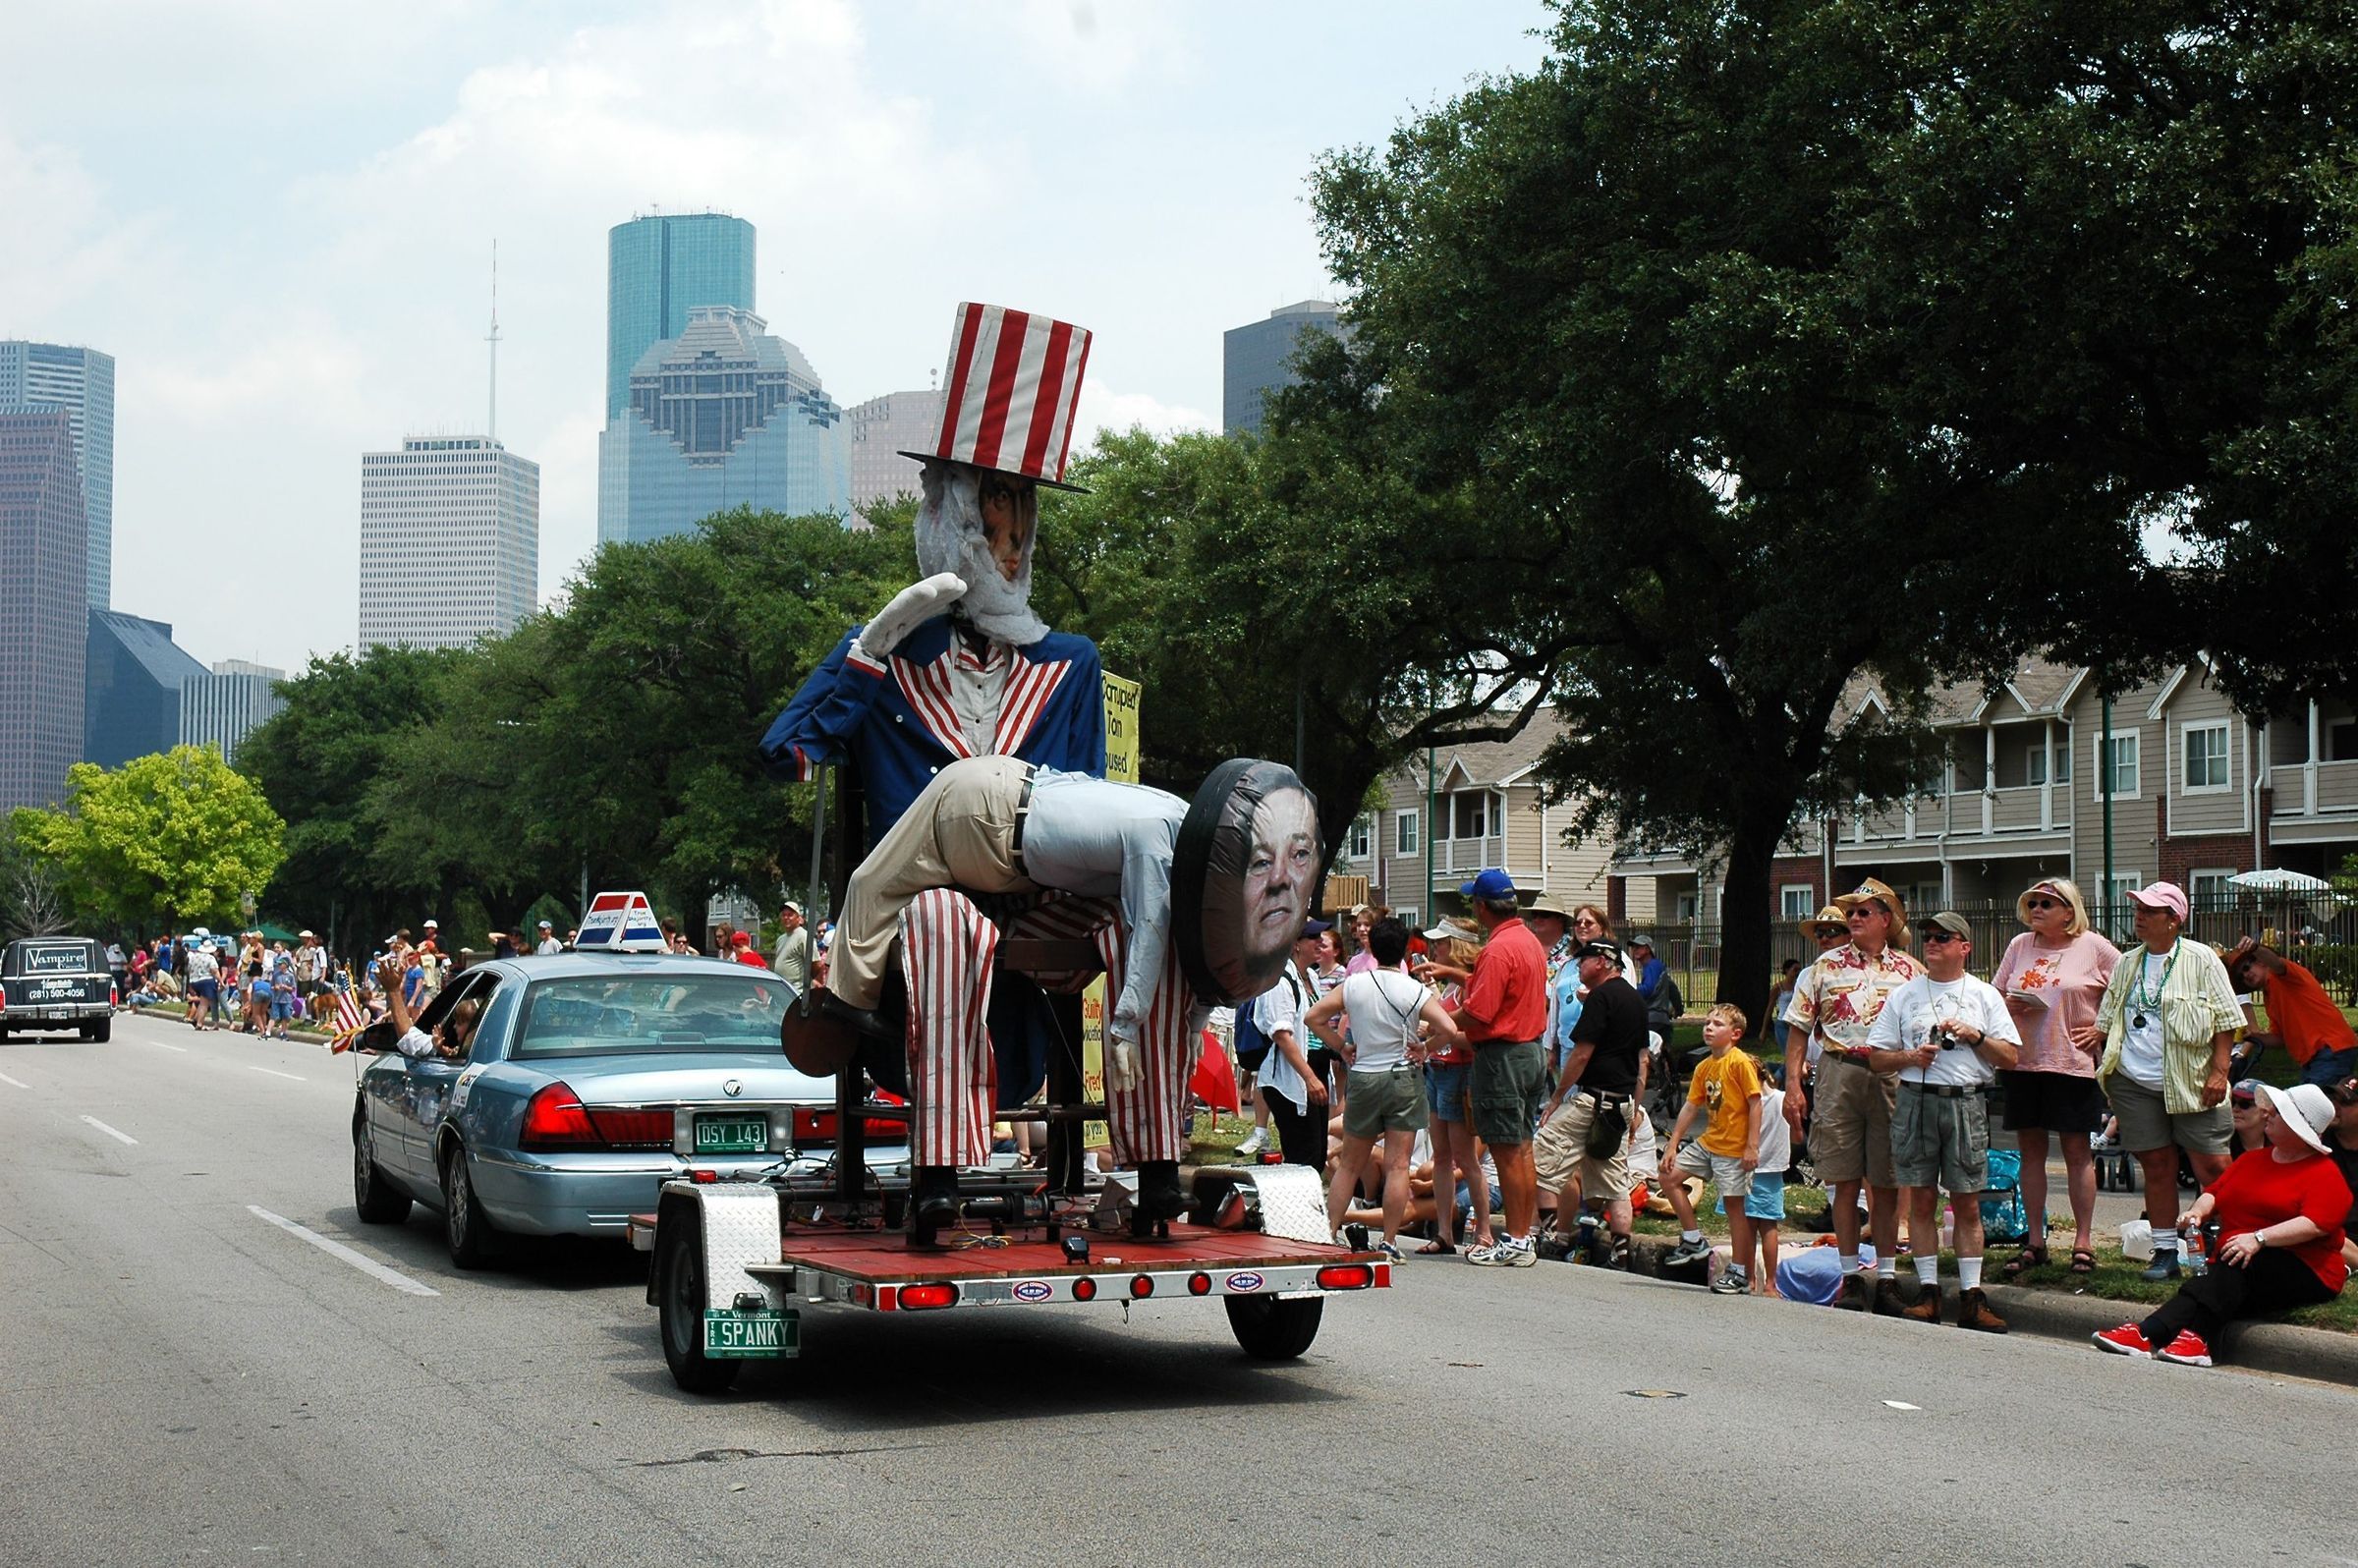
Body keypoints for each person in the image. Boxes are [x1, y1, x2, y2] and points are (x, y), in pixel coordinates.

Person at [2093, 1084, 2349, 1367]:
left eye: (2278, 1112)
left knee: (2232, 1262)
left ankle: (2190, 1338)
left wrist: (2258, 1238)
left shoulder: (2325, 1173)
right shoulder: (2252, 1161)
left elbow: (2315, 1224)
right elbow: (2214, 1193)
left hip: (2308, 1269)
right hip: (2238, 1261)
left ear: (2296, 1126)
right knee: (2217, 1280)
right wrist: (2197, 1213)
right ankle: (2148, 1334)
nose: (2267, 1114)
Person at [1865, 912, 2019, 1331]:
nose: (1932, 943)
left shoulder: (1984, 995)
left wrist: (1975, 1036)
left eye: (1943, 937)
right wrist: (1910, 1057)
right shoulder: (1906, 995)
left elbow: (2010, 1056)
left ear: (1964, 947)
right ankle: (1928, 1292)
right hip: (1916, 1100)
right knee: (1921, 1200)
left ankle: (1971, 1296)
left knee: (1967, 1200)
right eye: (1928, 937)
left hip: (1965, 1102)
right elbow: (1876, 1057)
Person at [1782, 877, 1923, 1311]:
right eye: (1851, 912)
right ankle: (1850, 1278)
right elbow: (1798, 1029)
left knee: (1886, 1181)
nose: (1854, 918)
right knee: (1843, 1180)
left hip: (1891, 1076)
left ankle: (1886, 1276)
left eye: (1864, 912)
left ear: (1886, 919)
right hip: (1838, 1071)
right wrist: (1792, 1087)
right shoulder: (1823, 968)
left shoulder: (1911, 971)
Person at [2094, 881, 2244, 1282]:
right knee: (2157, 1165)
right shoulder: (2128, 962)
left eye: (2149, 911)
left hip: (2193, 1080)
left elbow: (2227, 1020)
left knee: (2214, 1165)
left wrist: (2220, 1072)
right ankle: (2164, 1251)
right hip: (2134, 1080)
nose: (2139, 917)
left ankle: (2230, 1241)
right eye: (2138, 909)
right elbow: (2107, 1020)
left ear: (2174, 920)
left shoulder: (2201, 959)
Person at [1307, 917, 1463, 1260]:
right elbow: (1449, 1029)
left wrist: (1341, 1046)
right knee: (1398, 1165)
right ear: (1405, 949)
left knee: (1349, 1164)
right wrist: (1426, 1048)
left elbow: (1313, 1018)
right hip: (1402, 1076)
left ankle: (1329, 1232)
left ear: (1373, 949)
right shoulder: (1414, 989)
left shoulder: (1354, 985)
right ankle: (1389, 1241)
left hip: (1363, 1074)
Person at [1990, 876, 2120, 1279]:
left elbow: (2129, 988)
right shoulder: (2019, 945)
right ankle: (2035, 1239)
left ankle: (2083, 1241)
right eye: (2033, 903)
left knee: (2077, 1151)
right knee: (2031, 1151)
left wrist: (2103, 1027)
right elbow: (1993, 994)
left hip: (2072, 1062)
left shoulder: (2093, 946)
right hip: (2022, 1062)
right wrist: (2008, 1004)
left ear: (2069, 911)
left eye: (2047, 903)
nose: (2037, 910)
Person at [1421, 869, 1549, 1267]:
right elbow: (1495, 985)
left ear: (1481, 907)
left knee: (1506, 1151)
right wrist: (1454, 974)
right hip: (1530, 1052)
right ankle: (1524, 1236)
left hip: (1502, 1058)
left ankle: (1516, 1239)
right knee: (1522, 1148)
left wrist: (1438, 1022)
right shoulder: (1527, 940)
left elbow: (1479, 1012)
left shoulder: (1497, 949)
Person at [1531, 936, 1649, 1266]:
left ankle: (1549, 1235)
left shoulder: (1600, 997)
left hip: (1591, 1101)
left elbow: (1581, 1054)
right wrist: (1634, 1110)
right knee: (1615, 1182)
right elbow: (1642, 1062)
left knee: (1540, 1155)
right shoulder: (1635, 1000)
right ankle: (1620, 1253)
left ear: (1603, 962)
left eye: (1584, 959)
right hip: (1621, 1104)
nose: (1579, 965)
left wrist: (1556, 1098)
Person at [1658, 1004, 1764, 1294]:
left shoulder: (1739, 1062)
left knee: (1734, 1208)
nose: (1708, 1027)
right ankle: (1693, 1239)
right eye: (1707, 1022)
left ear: (1735, 1034)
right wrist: (1673, 1143)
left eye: (1717, 1024)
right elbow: (1691, 1105)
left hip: (1733, 1148)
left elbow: (1756, 1104)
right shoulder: (1704, 1066)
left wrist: (1752, 1146)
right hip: (1709, 1141)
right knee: (1668, 1176)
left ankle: (1739, 1272)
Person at [1416, 921, 1491, 1253]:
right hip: (1438, 1070)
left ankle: (1483, 1231)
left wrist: (1434, 1034)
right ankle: (1444, 1232)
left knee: (1465, 1158)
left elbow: (1474, 1039)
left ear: (1457, 947)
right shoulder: (1449, 987)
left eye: (1441, 943)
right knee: (1442, 1156)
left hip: (1459, 1072)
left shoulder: (1468, 987)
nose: (1435, 950)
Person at [2227, 938, 2358, 1088]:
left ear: (2261, 962)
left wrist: (2255, 948)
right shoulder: (2269, 996)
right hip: (2315, 1058)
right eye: (2241, 977)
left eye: (2246, 968)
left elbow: (2277, 963)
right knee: (2314, 1099)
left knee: (2313, 1100)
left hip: (2330, 1048)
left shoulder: (2283, 975)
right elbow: (2279, 1039)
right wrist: (2254, 1037)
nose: (2246, 975)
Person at [1256, 922, 1331, 1169]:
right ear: (1295, 944)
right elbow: (1282, 1036)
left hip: (1316, 1069)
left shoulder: (1311, 977)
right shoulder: (1279, 980)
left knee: (1317, 1155)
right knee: (1303, 1156)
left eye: (1321, 936)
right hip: (1291, 1077)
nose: (1320, 942)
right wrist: (1309, 1078)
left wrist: (1341, 1049)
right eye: (1313, 937)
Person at [377, 955, 483, 1062]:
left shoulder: (470, 1056)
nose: (454, 1026)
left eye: (460, 1022)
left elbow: (409, 1039)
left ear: (475, 1026)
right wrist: (441, 1049)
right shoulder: (464, 1052)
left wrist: (393, 991)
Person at [1747, 1065, 1791, 1295]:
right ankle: (1770, 1283)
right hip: (1773, 1170)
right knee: (1768, 1225)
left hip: (1745, 1169)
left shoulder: (1744, 1103)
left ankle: (1749, 1279)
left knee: (1746, 1227)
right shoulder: (1783, 1099)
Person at [771, 902, 812, 994]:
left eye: (790, 915)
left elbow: (815, 964)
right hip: (781, 990)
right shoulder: (780, 939)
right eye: (784, 915)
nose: (786, 918)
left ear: (798, 918)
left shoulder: (803, 936)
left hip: (796, 991)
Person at [183, 939, 219, 1032]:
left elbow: (189, 968)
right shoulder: (210, 958)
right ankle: (199, 1023)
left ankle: (196, 1019)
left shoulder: (194, 957)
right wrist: (221, 981)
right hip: (206, 981)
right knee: (204, 1004)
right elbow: (214, 971)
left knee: (201, 1001)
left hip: (194, 981)